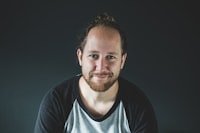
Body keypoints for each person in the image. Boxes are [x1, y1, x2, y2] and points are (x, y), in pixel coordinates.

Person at [34, 13, 158, 133]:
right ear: (80, 57)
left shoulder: (139, 106)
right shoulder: (57, 101)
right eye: (94, 56)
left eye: (110, 57)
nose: (101, 67)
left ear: (122, 60)